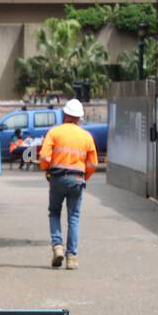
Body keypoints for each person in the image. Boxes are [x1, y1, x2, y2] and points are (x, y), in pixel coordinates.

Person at [38, 98, 99, 269]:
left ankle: (57, 246)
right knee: (73, 218)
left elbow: (44, 157)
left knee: (55, 212)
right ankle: (72, 257)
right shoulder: (86, 137)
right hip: (77, 179)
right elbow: (93, 164)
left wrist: (46, 170)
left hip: (57, 178)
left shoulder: (54, 133)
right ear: (79, 118)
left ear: (65, 114)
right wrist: (84, 177)